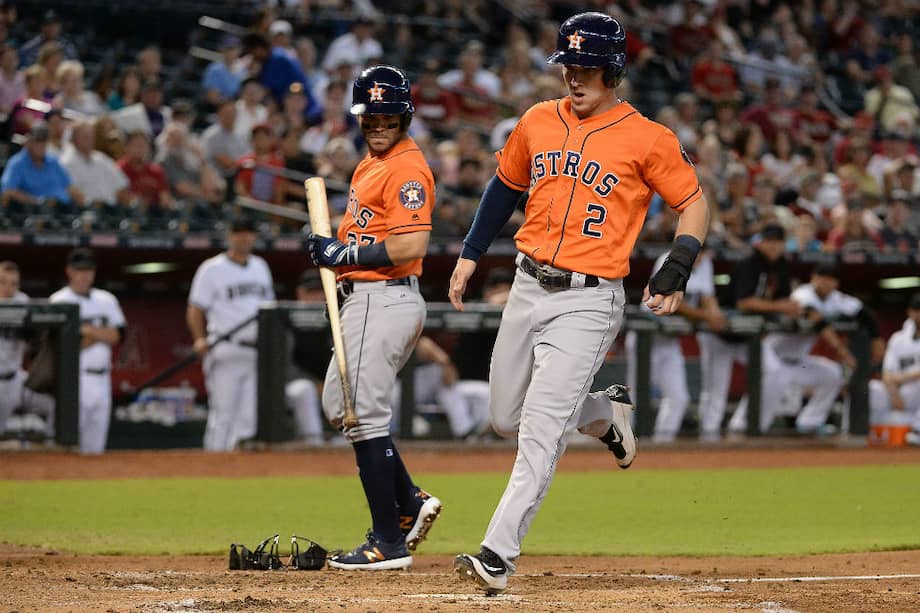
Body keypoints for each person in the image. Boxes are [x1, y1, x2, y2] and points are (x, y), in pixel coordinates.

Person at [448, 13, 709, 594]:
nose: (574, 76)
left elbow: (694, 204)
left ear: (612, 71)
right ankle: (604, 416)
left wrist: (678, 263)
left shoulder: (648, 137)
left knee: (541, 430)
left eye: (586, 67)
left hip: (588, 301)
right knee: (504, 419)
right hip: (526, 284)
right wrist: (470, 253)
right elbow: (504, 186)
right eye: (568, 65)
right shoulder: (538, 119)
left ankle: (497, 554)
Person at [304, 65, 442, 570]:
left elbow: (411, 244)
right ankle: (408, 500)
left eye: (388, 117)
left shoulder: (406, 168)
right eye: (371, 117)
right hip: (365, 298)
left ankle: (388, 540)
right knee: (338, 404)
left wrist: (343, 255)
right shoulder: (370, 164)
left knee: (361, 412)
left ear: (404, 117)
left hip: (384, 295)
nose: (379, 125)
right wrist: (335, 257)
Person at [729, 262, 867, 435]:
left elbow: (864, 313)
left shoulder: (836, 298)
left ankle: (810, 423)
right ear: (814, 278)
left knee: (832, 374)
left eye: (831, 279)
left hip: (799, 362)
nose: (827, 283)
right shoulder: (803, 294)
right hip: (775, 360)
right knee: (756, 418)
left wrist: (876, 339)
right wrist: (843, 351)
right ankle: (738, 430)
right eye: (823, 278)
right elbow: (816, 318)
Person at [187, 216, 274, 452]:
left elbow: (269, 311)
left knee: (248, 417)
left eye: (249, 232)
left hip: (255, 351)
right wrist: (199, 338)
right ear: (229, 236)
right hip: (225, 346)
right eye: (239, 232)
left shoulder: (260, 266)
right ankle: (214, 463)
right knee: (223, 414)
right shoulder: (212, 269)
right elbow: (195, 308)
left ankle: (238, 468)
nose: (244, 237)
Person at [626, 250, 727, 442]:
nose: (699, 258)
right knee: (636, 396)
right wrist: (707, 317)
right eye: (697, 254)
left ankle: (662, 444)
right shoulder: (669, 259)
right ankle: (624, 441)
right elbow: (671, 302)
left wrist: (716, 314)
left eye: (702, 254)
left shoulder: (705, 263)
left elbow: (707, 297)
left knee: (678, 398)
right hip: (647, 336)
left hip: (670, 340)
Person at [49, 249, 125, 454]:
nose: (84, 275)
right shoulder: (59, 300)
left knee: (96, 448)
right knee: (69, 446)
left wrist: (86, 330)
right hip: (73, 379)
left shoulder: (106, 299)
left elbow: (119, 335)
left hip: (102, 379)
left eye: (88, 270)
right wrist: (102, 333)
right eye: (79, 270)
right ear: (69, 271)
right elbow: (63, 346)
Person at [0, 261, 55, 440]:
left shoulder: (22, 301)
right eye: (2, 282)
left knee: (54, 405)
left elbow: (38, 337)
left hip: (14, 380)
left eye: (13, 283)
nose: (8, 288)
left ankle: (50, 446)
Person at [0, 122, 84, 215]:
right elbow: (8, 191)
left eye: (44, 140)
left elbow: (70, 187)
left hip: (65, 210)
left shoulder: (53, 161)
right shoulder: (17, 163)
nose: (41, 144)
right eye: (38, 140)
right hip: (37, 213)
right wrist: (36, 202)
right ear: (29, 141)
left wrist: (81, 202)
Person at [286, 269, 329, 446]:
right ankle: (314, 442)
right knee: (304, 390)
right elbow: (283, 367)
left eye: (320, 292)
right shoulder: (285, 319)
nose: (316, 297)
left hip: (329, 385)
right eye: (311, 292)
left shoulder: (337, 318)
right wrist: (316, 383)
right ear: (300, 293)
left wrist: (329, 383)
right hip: (290, 386)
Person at [870, 293, 920, 445]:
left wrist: (902, 378)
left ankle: (917, 430)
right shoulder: (898, 338)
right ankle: (876, 431)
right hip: (898, 392)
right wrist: (894, 393)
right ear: (910, 312)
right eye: (918, 310)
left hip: (915, 389)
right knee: (873, 387)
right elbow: (887, 372)